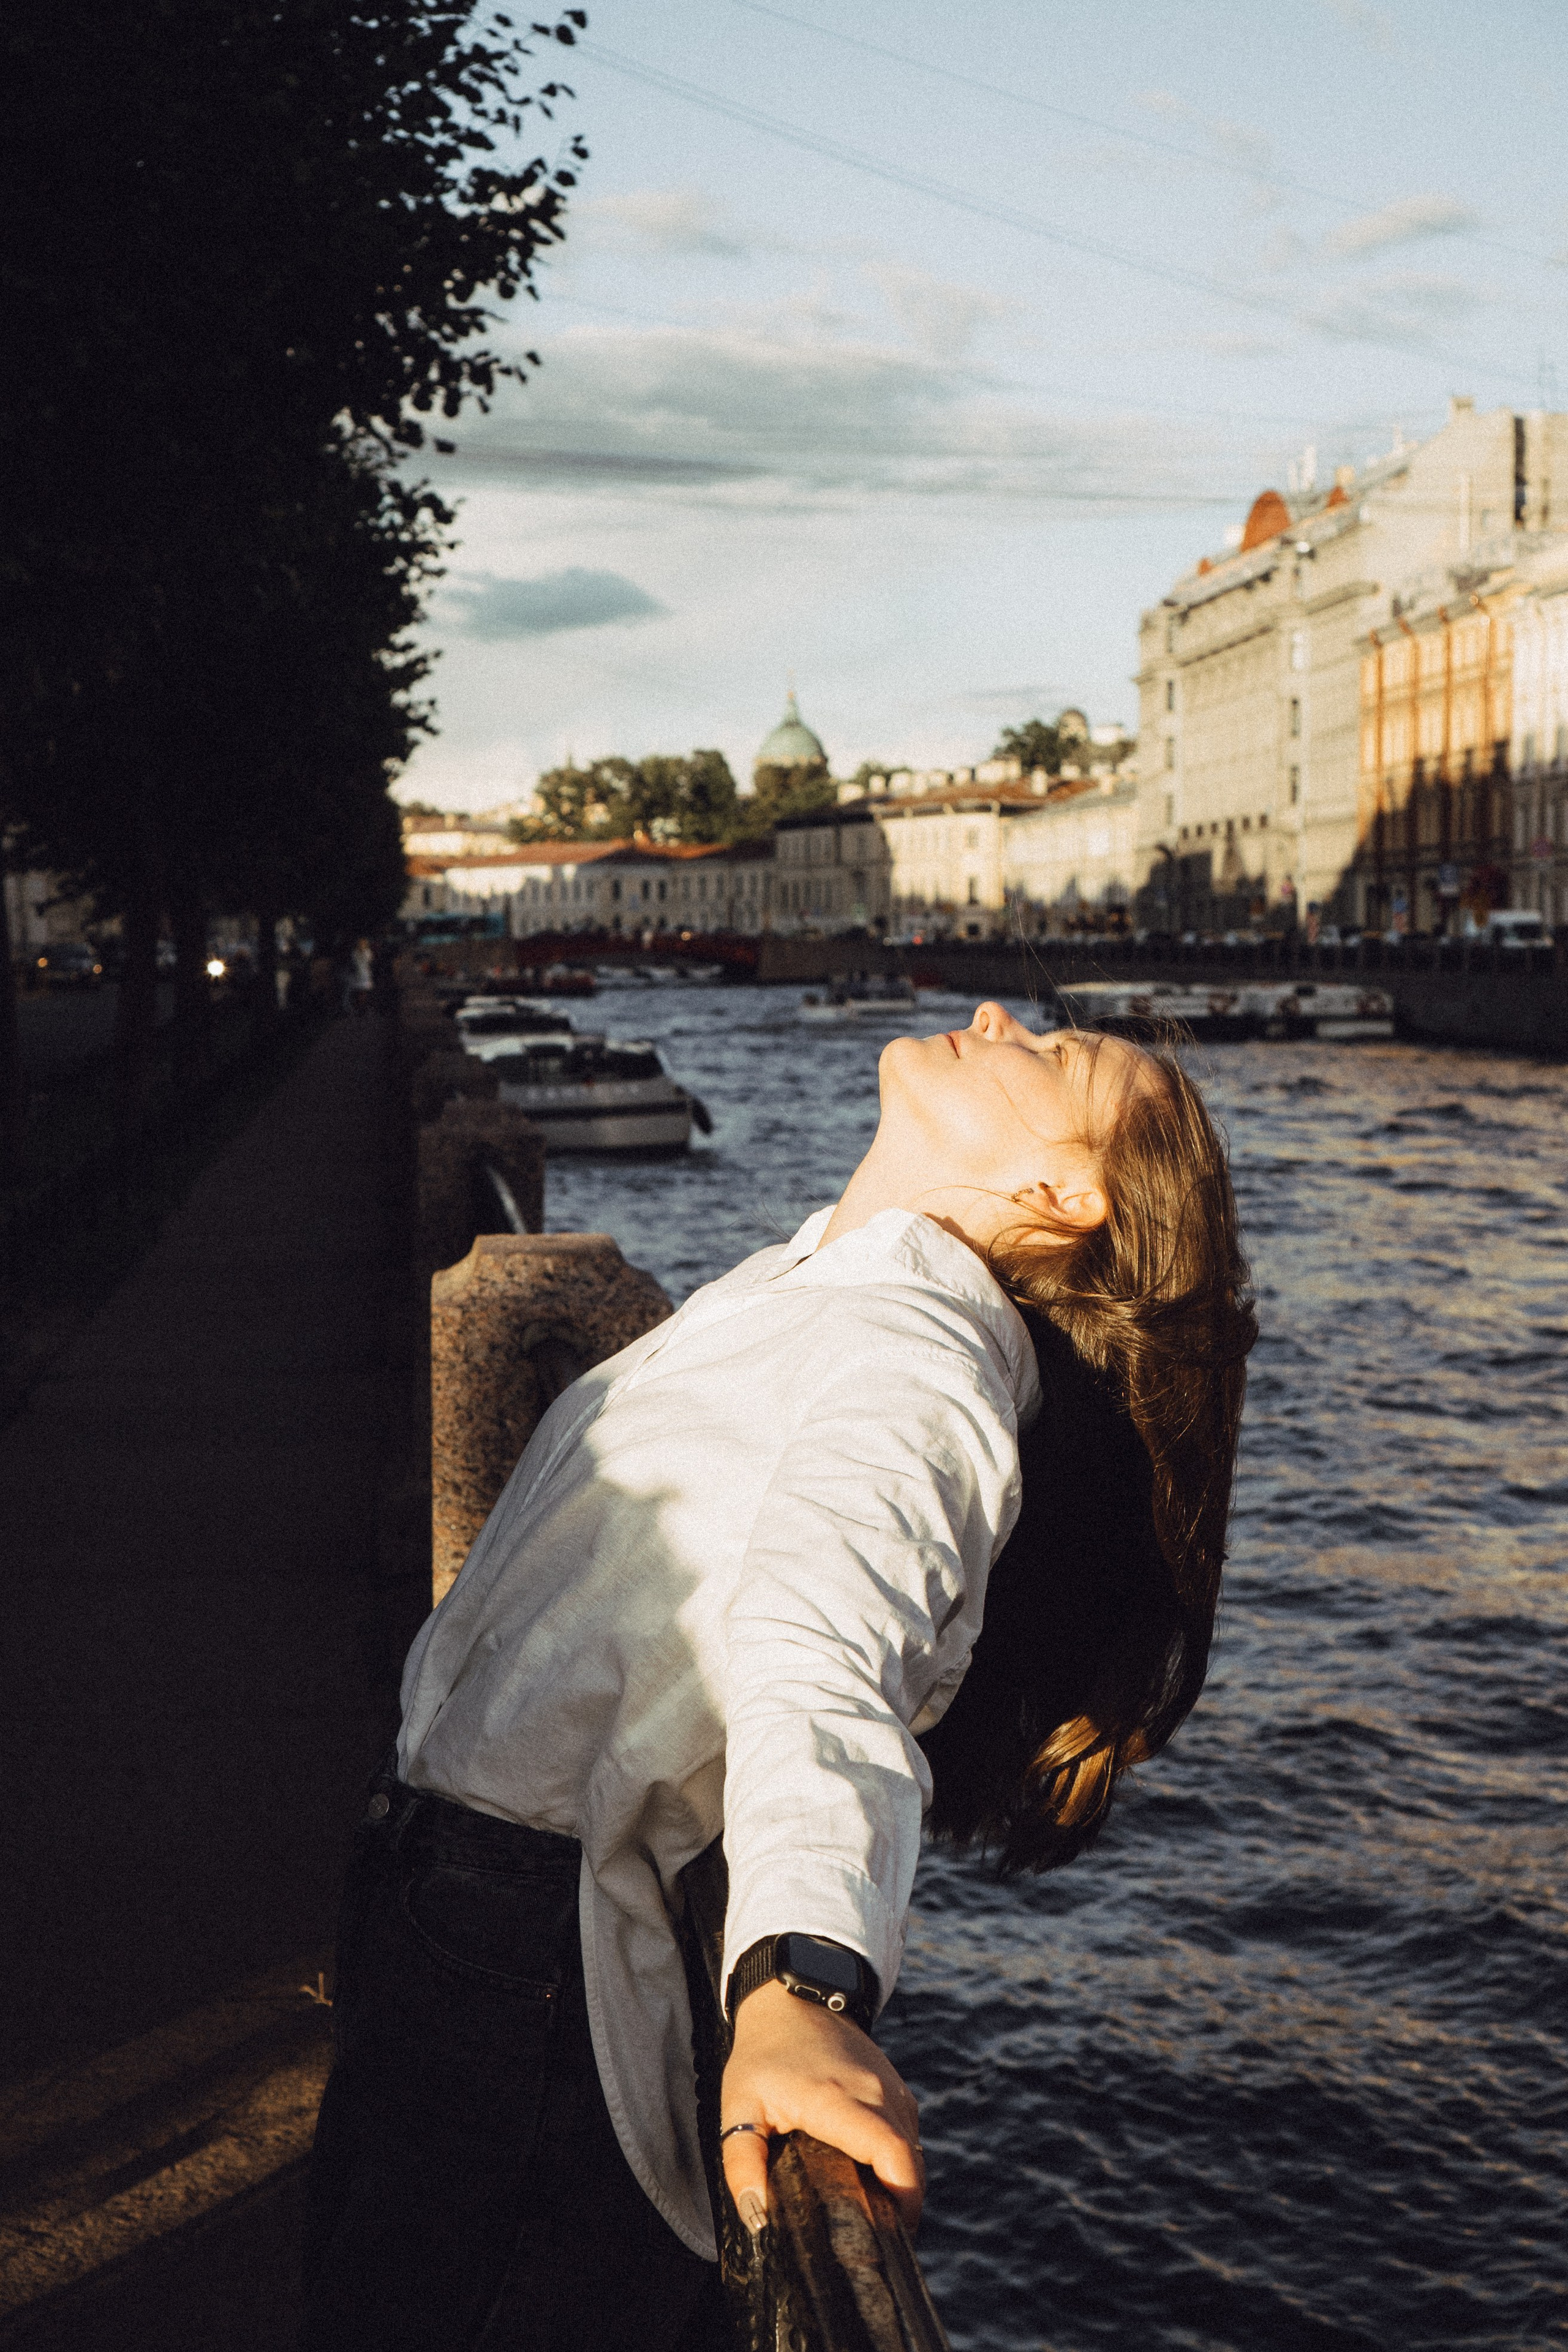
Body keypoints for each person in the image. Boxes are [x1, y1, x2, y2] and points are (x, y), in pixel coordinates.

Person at [301, 1000, 1256, 2350]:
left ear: (1064, 1196)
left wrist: (802, 1989)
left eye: (1051, 1054)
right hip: (455, 1905)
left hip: (518, 1953)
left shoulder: (918, 1363)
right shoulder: (834, 1290)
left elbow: (827, 1663)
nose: (997, 1015)